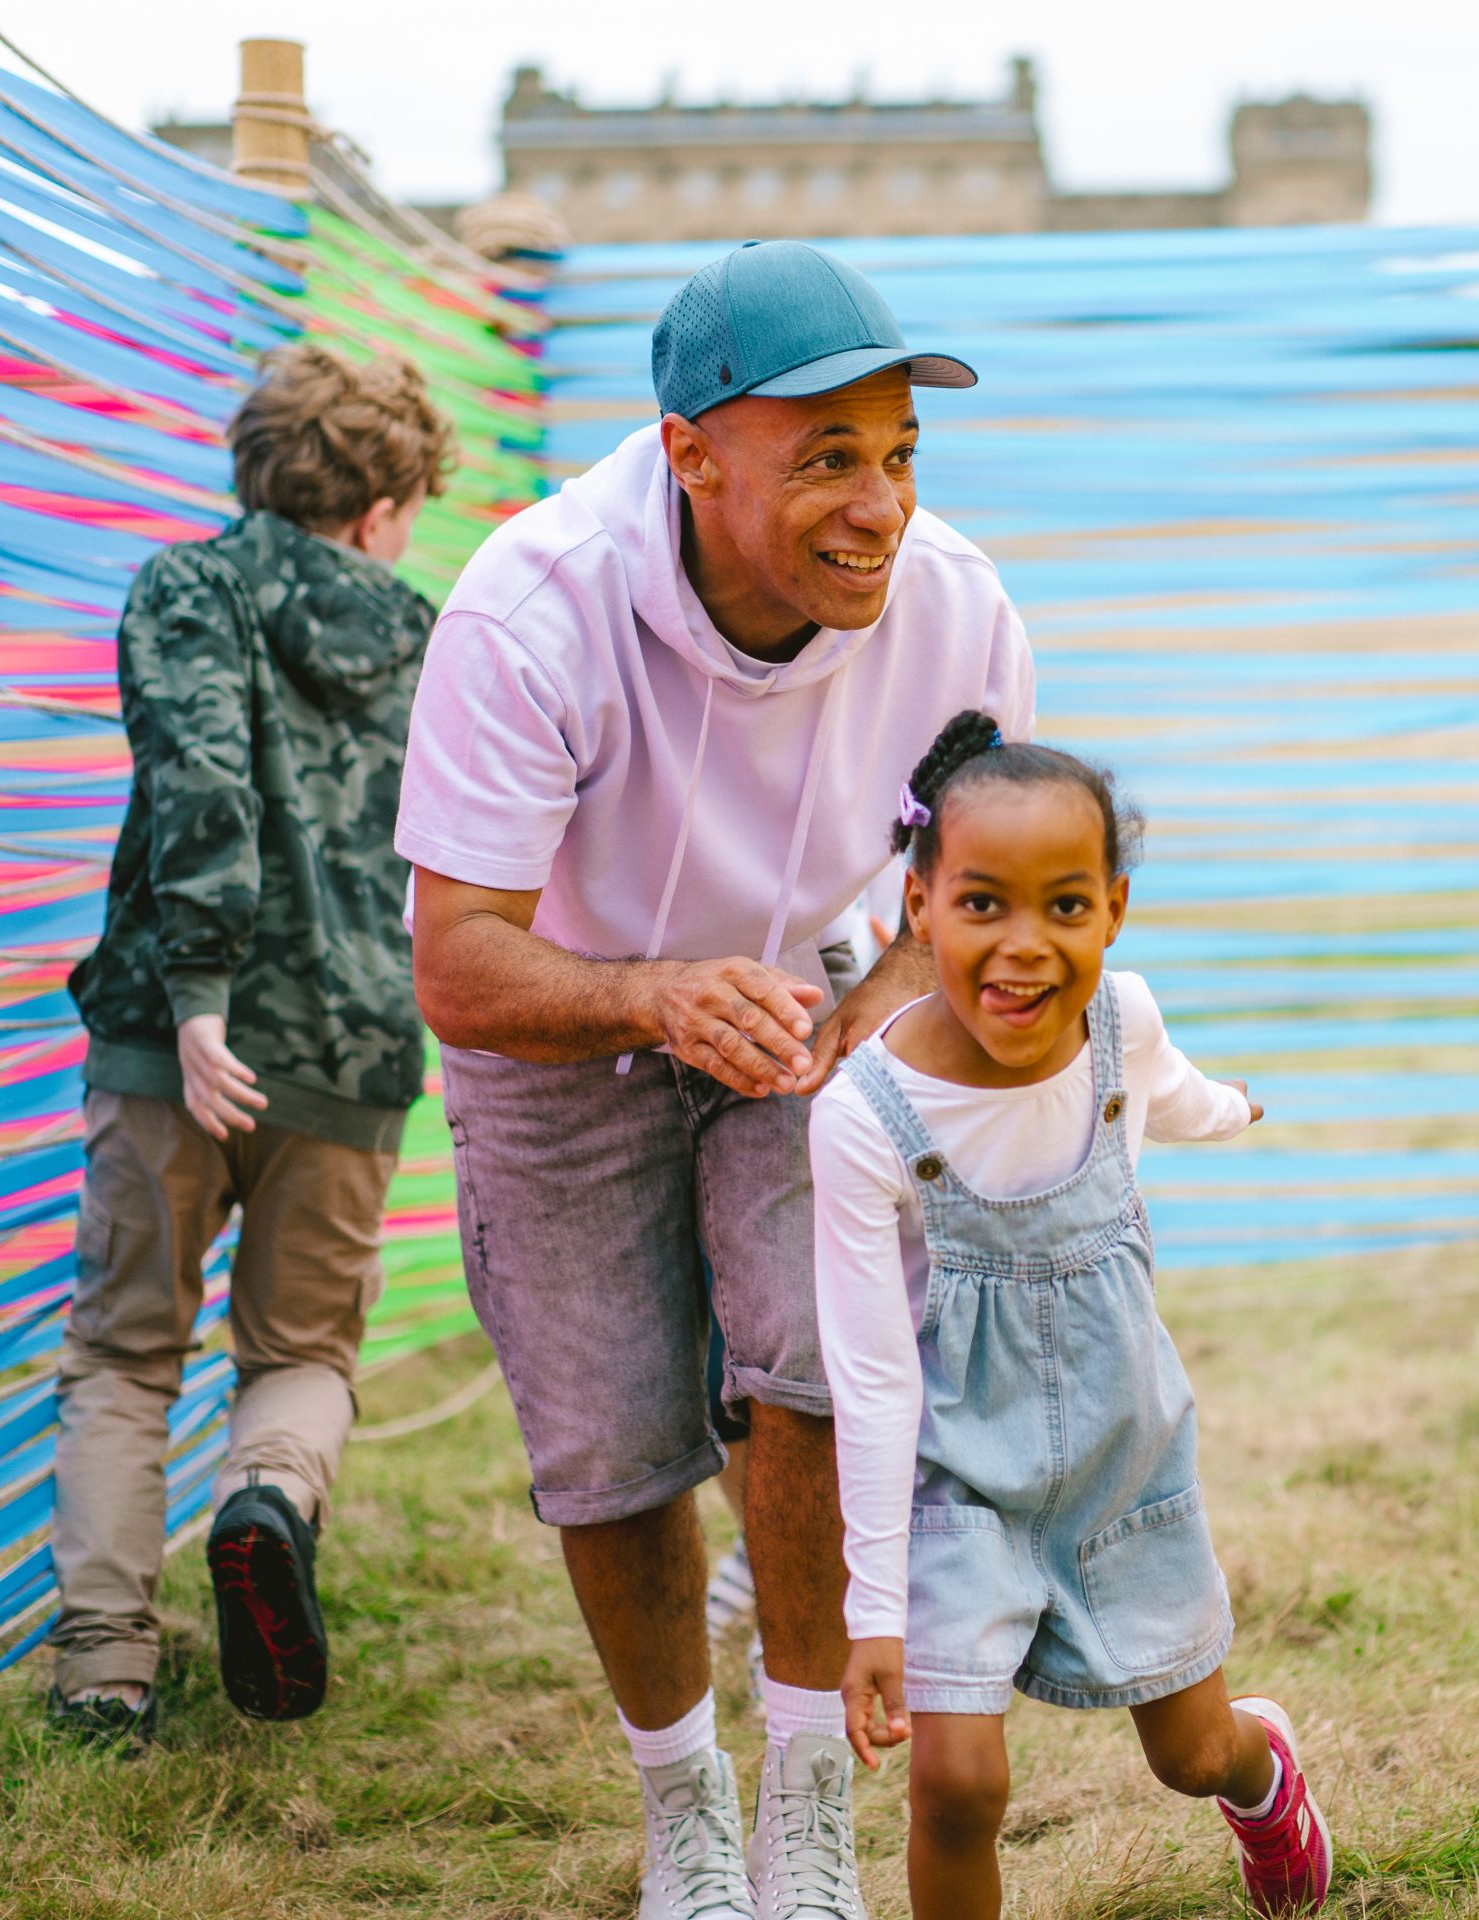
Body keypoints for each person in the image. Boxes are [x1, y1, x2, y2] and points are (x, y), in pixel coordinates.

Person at [397, 241, 1031, 1920]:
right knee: (605, 1443)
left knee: (821, 1366)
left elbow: (956, 891)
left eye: (900, 453)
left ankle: (805, 1800)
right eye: (826, 456)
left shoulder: (957, 608)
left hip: (796, 992)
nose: (879, 504)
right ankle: (684, 1806)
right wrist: (657, 997)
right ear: (689, 452)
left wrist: (875, 1006)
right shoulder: (534, 607)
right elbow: (454, 961)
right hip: (557, 1016)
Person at [819, 713, 1335, 1919]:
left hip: (1125, 1463)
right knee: (955, 1783)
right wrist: (875, 1611)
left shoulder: (1124, 1025)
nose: (1023, 947)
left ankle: (1260, 1779)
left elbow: (1182, 1095)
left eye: (1065, 907)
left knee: (1187, 1756)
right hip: (961, 1484)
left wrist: (1236, 1111)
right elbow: (876, 1375)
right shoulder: (862, 1117)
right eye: (983, 903)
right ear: (919, 906)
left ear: (1111, 911)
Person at [50, 342, 453, 1743]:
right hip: (351, 1052)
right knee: (301, 1354)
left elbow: (199, 776)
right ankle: (267, 1501)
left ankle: (105, 1672)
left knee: (125, 1353)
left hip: (175, 1039)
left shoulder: (190, 586)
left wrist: (200, 988)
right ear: (387, 506)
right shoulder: (429, 633)